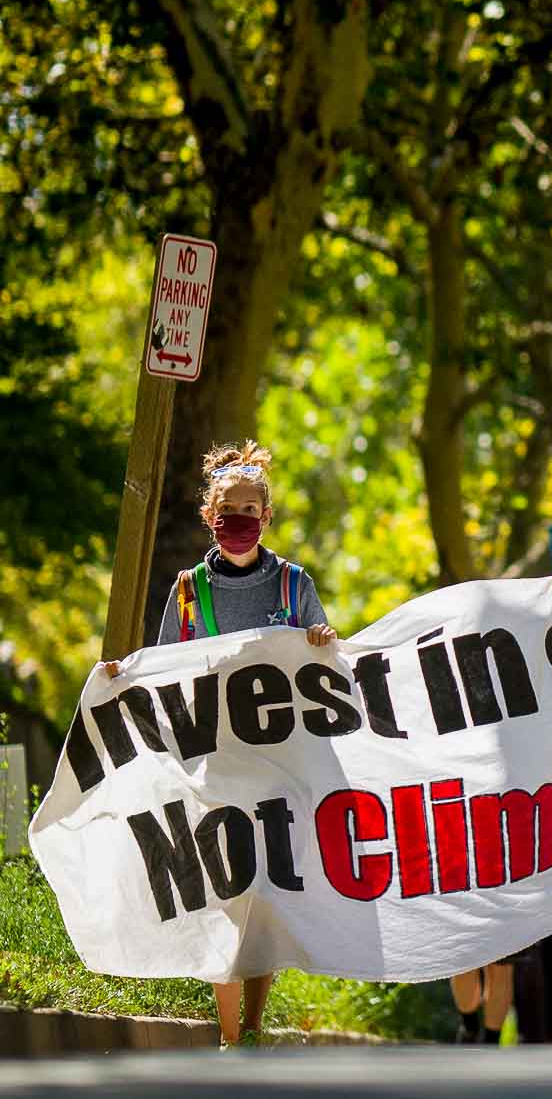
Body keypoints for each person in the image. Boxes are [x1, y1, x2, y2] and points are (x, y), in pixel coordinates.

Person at [120, 441, 335, 1048]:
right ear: (210, 517)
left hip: (277, 764)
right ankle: (228, 1034)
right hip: (214, 762)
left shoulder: (296, 586)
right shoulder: (188, 592)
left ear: (267, 517)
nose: (239, 519)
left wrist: (320, 638)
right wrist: (122, 676)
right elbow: (164, 667)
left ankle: (255, 1026)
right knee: (225, 894)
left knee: (265, 898)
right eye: (228, 510)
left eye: (250, 509)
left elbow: (325, 661)